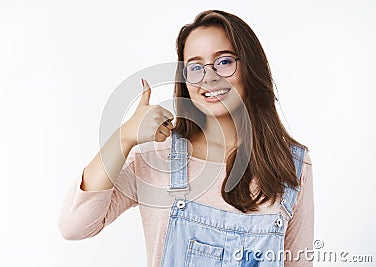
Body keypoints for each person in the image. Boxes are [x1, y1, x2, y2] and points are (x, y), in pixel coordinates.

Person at [58, 10, 314, 267]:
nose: (209, 77)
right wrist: (124, 137)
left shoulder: (290, 165)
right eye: (195, 67)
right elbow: (74, 226)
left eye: (224, 61)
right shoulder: (157, 155)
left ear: (250, 68)